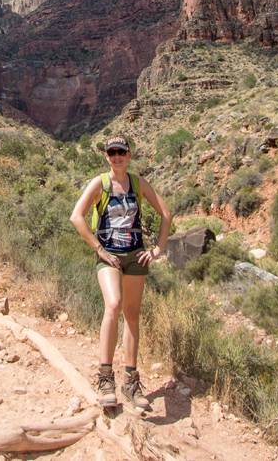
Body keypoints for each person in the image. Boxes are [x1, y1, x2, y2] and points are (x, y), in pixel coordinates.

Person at [69, 135, 172, 410]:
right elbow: (76, 216)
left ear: (129, 154)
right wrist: (98, 249)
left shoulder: (138, 184)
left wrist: (158, 249)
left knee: (133, 315)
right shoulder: (100, 184)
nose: (117, 157)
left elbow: (166, 214)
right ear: (106, 156)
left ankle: (131, 380)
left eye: (121, 152)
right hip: (109, 257)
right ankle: (105, 379)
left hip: (136, 256)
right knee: (113, 305)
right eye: (112, 152)